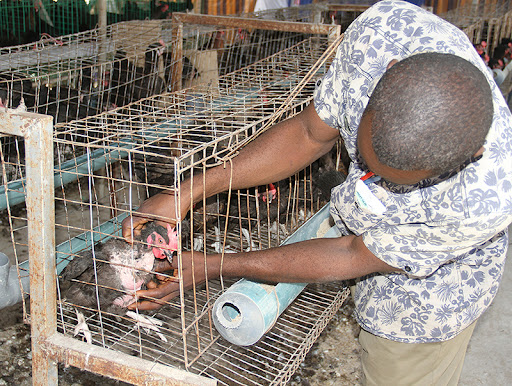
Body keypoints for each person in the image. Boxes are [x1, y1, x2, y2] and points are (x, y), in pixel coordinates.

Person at [122, 1, 512, 384]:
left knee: (394, 367)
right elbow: (310, 132)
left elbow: (352, 254)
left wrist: (213, 265)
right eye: (367, 160)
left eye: (395, 179)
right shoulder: (381, 35)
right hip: (362, 231)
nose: (369, 176)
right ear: (385, 73)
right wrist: (185, 193)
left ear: (470, 157)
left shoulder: (487, 199)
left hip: (424, 298)